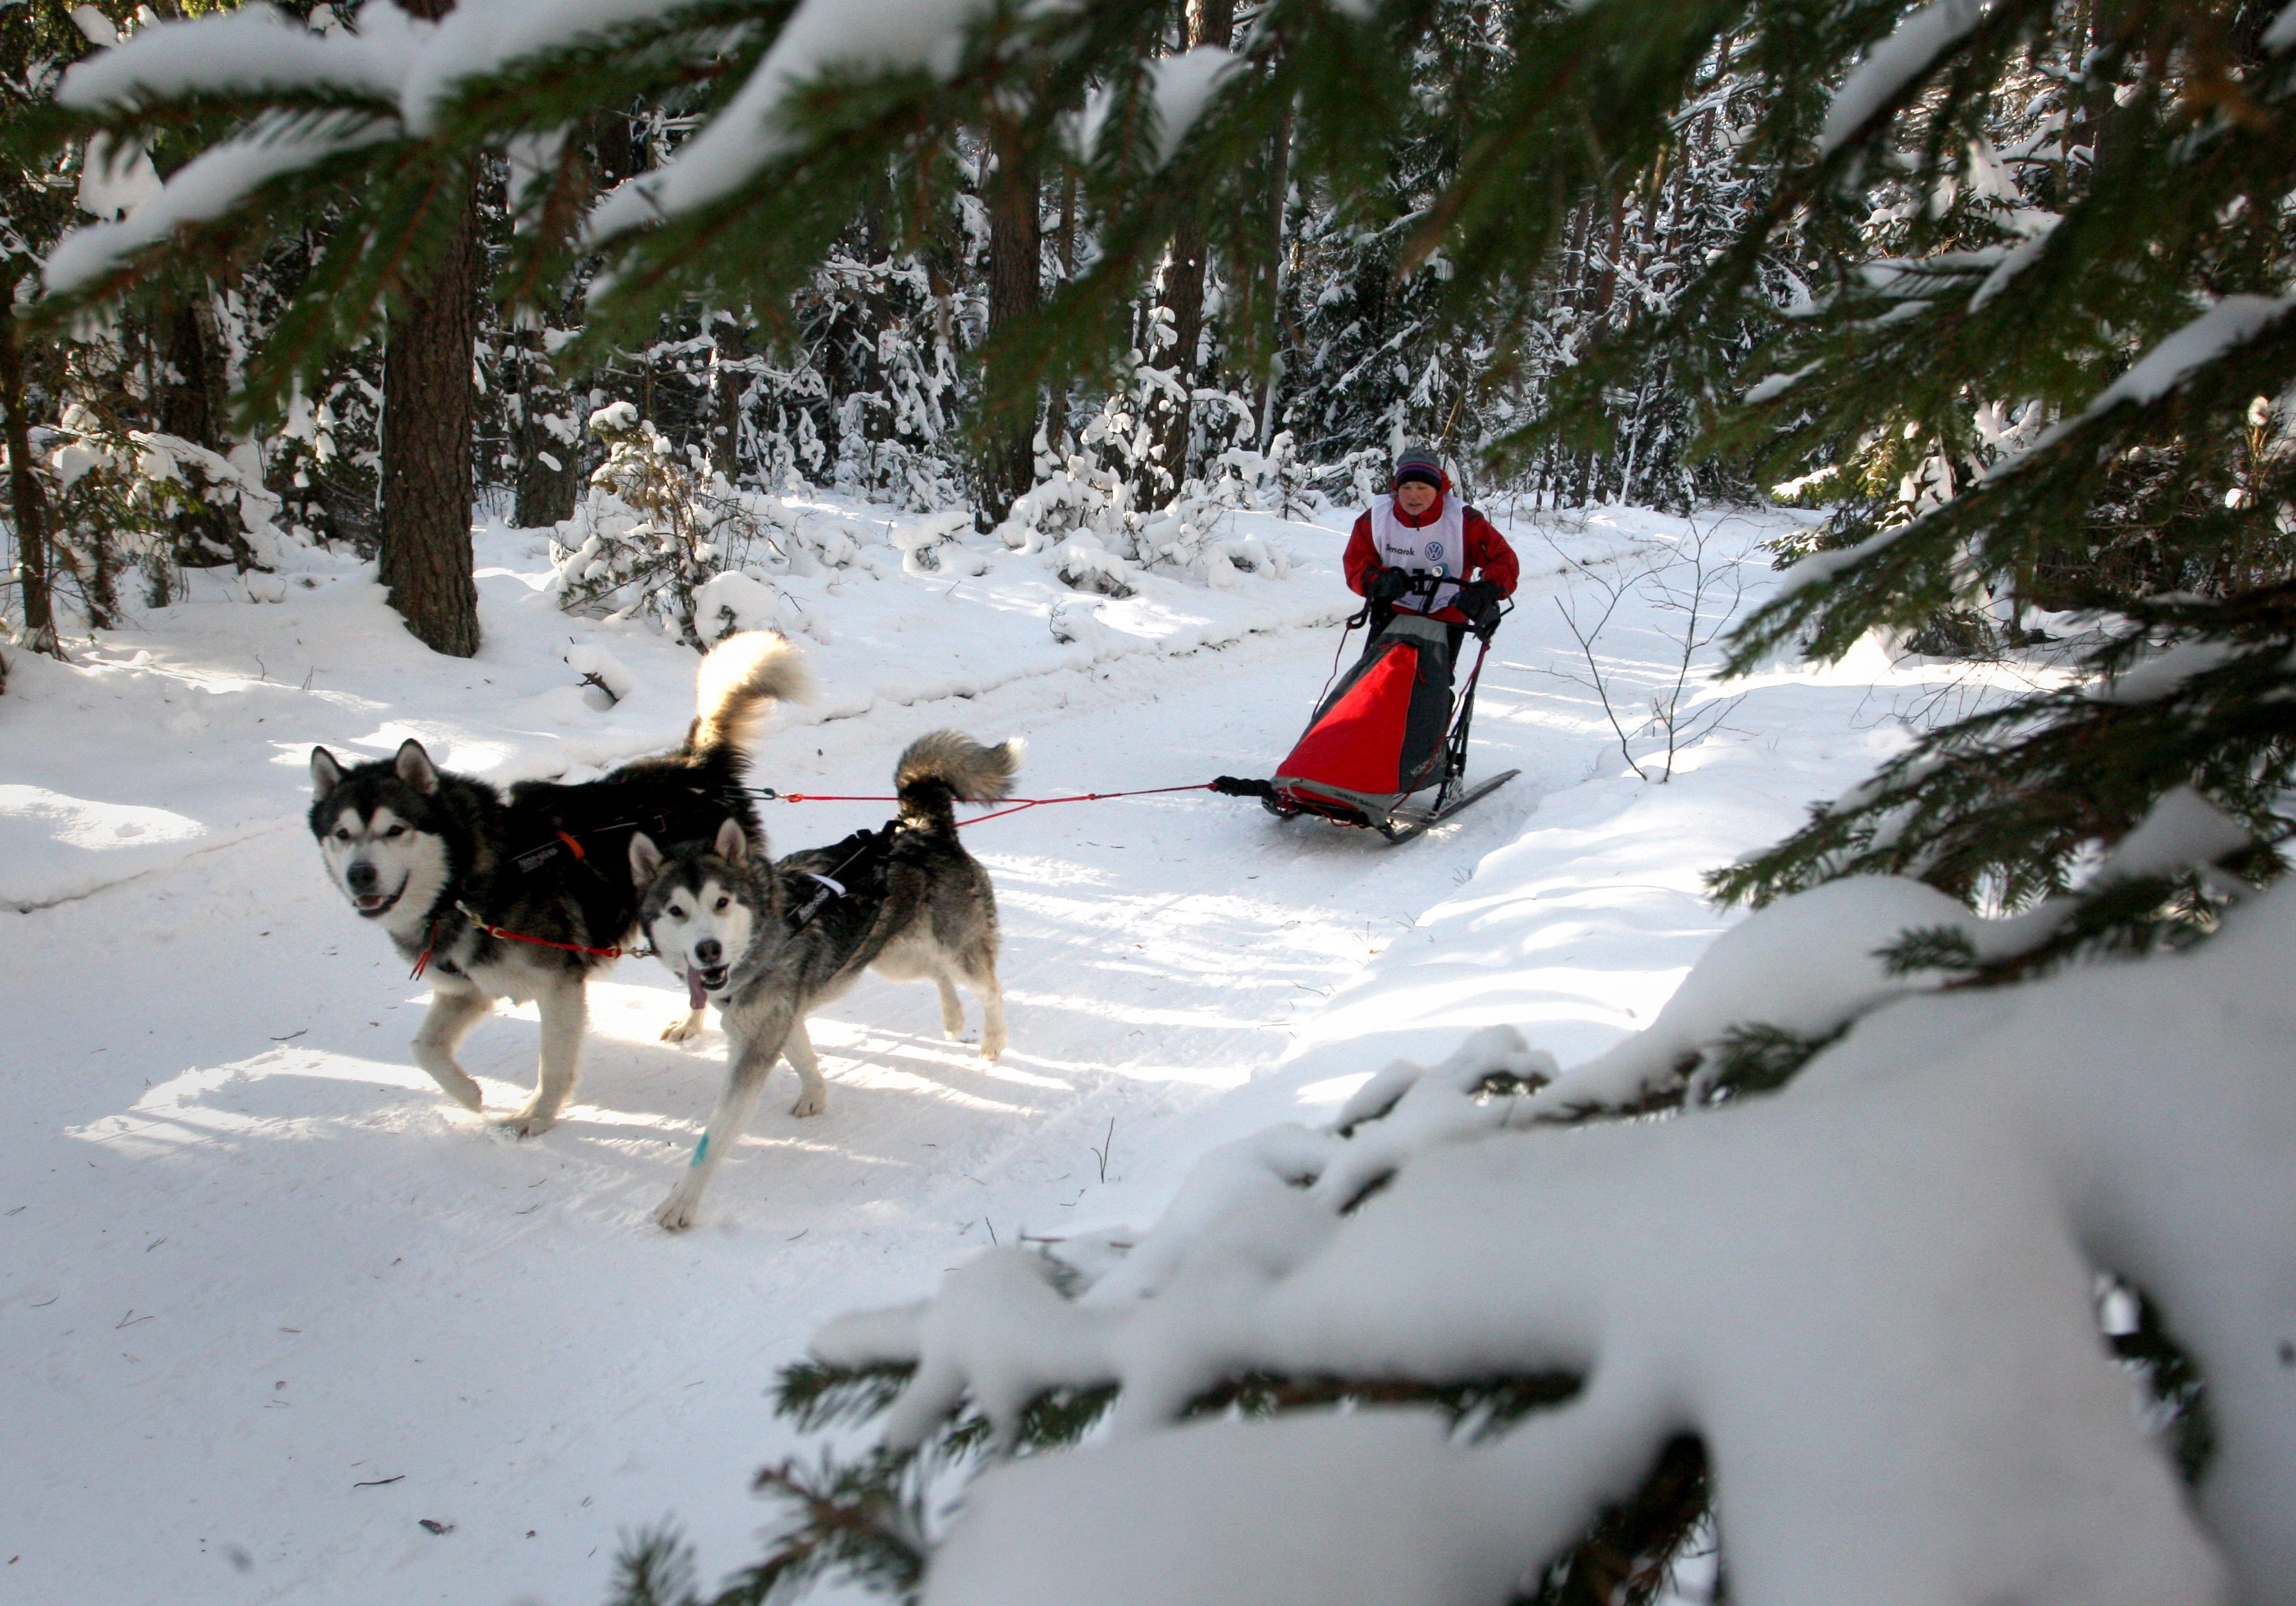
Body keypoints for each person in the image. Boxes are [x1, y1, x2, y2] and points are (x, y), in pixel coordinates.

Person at [1343, 446, 1519, 651]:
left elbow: (1503, 560)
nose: (1413, 496)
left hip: (1447, 617)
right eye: (1406, 487)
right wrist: (1378, 582)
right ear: (1397, 490)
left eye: (1422, 488)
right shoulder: (1375, 519)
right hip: (1391, 614)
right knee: (1379, 677)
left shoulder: (1465, 520)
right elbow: (1355, 563)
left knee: (1432, 679)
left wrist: (1486, 590)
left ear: (1438, 490)